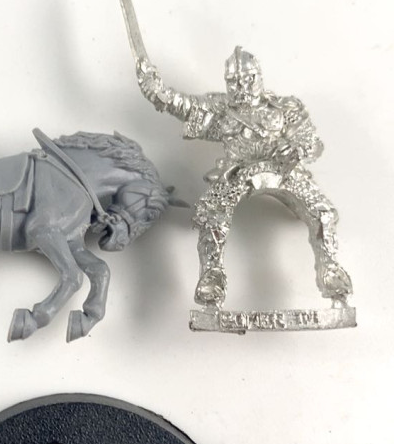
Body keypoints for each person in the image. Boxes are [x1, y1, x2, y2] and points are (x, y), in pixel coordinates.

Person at [136, 46, 353, 307]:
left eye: (248, 79)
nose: (242, 86)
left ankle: (330, 270)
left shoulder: (286, 108)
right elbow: (180, 103)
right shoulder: (221, 108)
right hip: (237, 173)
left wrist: (296, 149)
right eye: (234, 81)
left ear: (259, 76)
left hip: (284, 171)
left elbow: (312, 142)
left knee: (322, 213)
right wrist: (155, 89)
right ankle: (212, 276)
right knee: (211, 214)